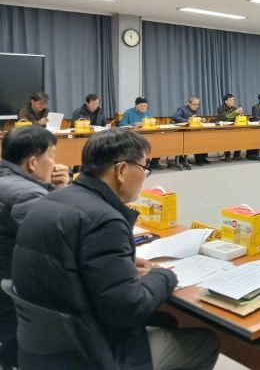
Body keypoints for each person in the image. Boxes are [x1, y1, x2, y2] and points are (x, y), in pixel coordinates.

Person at [12, 129, 220, 369]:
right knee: (205, 341)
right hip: (89, 353)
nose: (145, 176)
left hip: (44, 345)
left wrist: (121, 267)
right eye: (144, 167)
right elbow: (128, 309)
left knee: (166, 319)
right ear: (121, 170)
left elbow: (72, 265)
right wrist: (164, 276)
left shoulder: (51, 199)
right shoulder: (104, 220)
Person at [0, 126, 69, 368]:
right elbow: (61, 241)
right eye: (51, 155)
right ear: (32, 162)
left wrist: (52, 188)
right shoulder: (26, 194)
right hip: (15, 295)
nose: (55, 163)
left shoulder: (8, 180)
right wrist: (59, 191)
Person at [118, 97, 161, 169]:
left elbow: (152, 123)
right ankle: (141, 163)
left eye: (145, 106)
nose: (143, 107)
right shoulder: (128, 113)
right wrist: (133, 125)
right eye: (141, 106)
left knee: (159, 140)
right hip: (134, 136)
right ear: (136, 105)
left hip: (148, 134)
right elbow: (121, 125)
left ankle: (154, 163)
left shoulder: (148, 113)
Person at [172, 96, 209, 166]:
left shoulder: (196, 111)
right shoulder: (182, 109)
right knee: (197, 139)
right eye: (194, 104)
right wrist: (188, 120)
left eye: (197, 104)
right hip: (183, 133)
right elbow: (175, 117)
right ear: (189, 103)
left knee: (203, 137)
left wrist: (202, 119)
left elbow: (196, 119)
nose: (196, 106)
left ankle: (202, 158)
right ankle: (198, 160)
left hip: (193, 132)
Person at [216, 93, 243, 161]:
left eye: (233, 100)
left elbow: (237, 119)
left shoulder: (234, 108)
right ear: (226, 101)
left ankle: (236, 155)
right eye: (231, 100)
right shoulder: (221, 108)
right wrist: (235, 112)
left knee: (240, 135)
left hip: (234, 128)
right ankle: (227, 155)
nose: (233, 101)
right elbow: (224, 118)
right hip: (223, 129)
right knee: (227, 136)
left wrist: (240, 115)